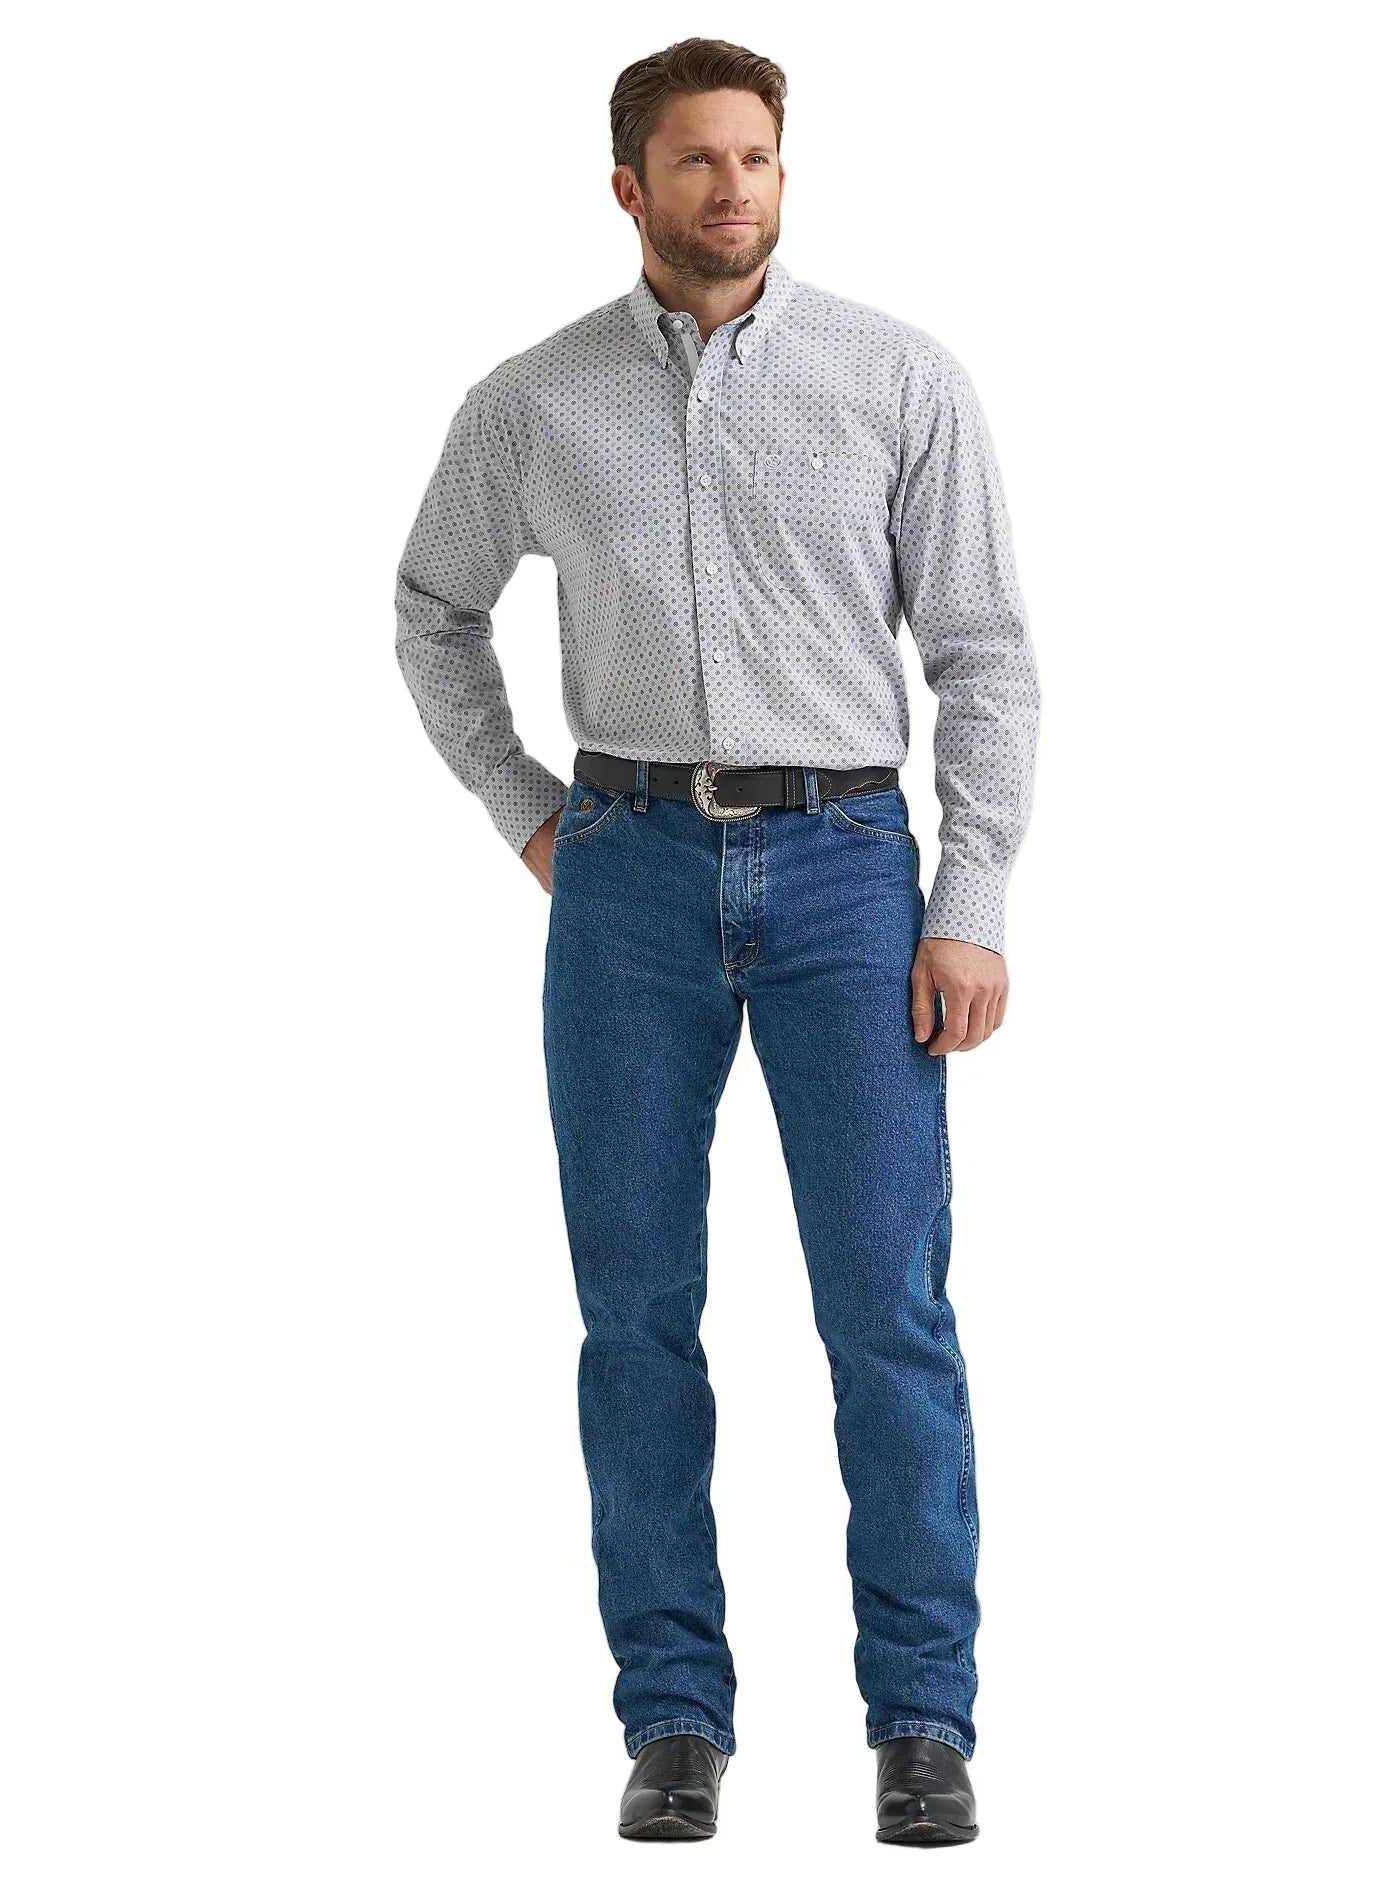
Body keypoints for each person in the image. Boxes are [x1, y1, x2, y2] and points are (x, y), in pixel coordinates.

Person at [393, 36, 1039, 1847]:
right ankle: (673, 1715)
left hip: (848, 873)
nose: (733, 186)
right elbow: (432, 608)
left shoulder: (899, 378)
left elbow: (984, 651)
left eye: (755, 156)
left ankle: (923, 1720)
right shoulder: (535, 402)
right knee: (635, 1311)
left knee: (887, 1312)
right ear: (630, 186)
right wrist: (527, 809)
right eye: (695, 160)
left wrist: (971, 898)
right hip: (628, 879)